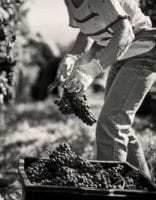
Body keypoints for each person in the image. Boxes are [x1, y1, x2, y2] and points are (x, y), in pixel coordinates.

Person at [57, 0, 156, 179]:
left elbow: (125, 33)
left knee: (111, 123)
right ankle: (144, 187)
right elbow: (86, 31)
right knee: (119, 124)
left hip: (143, 49)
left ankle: (111, 188)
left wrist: (91, 70)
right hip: (120, 55)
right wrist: (72, 56)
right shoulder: (70, 2)